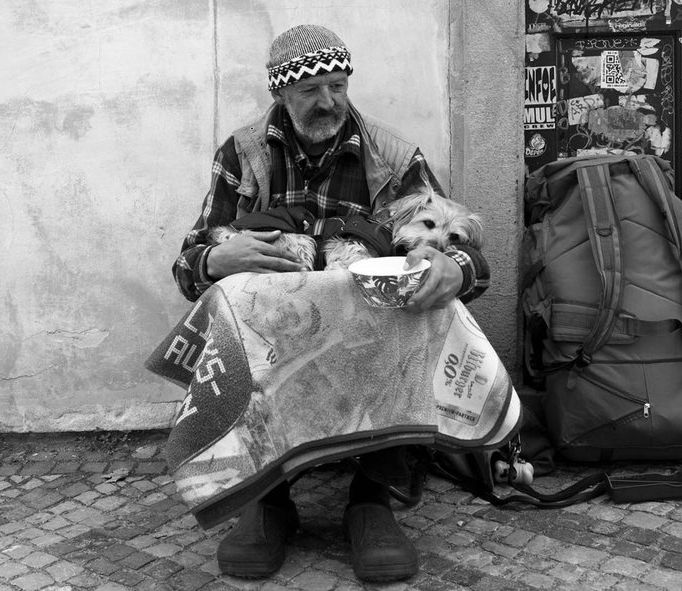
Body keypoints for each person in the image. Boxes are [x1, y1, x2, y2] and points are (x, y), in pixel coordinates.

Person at [170, 24, 491, 583]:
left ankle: (373, 497)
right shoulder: (242, 153)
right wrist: (214, 260)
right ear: (280, 92)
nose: (329, 101)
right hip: (276, 326)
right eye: (310, 90)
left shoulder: (392, 155)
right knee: (232, 304)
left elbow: (463, 245)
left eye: (338, 86)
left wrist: (455, 267)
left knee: (419, 308)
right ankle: (268, 498)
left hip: (368, 327)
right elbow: (188, 264)